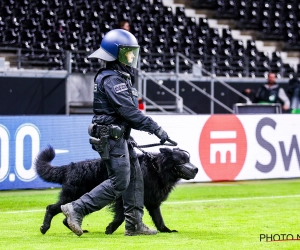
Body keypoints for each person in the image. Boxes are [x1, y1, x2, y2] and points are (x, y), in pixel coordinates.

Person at [61, 29, 169, 237]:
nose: (132, 58)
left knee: (136, 178)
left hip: (119, 136)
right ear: (116, 54)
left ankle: (135, 224)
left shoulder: (119, 77)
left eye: (132, 53)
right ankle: (76, 209)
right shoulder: (112, 79)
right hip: (112, 138)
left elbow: (127, 115)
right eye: (128, 53)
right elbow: (129, 112)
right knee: (120, 181)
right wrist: (157, 129)